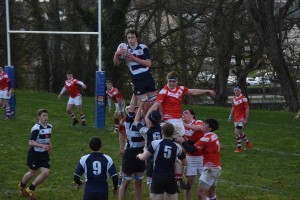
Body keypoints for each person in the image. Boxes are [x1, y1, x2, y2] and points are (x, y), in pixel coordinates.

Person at [146, 71, 215, 138]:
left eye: (174, 81)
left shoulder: (181, 89)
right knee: (179, 140)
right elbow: (156, 105)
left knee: (181, 140)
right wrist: (147, 117)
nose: (172, 84)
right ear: (167, 81)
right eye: (170, 81)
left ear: (177, 81)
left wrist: (206, 91)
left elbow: (193, 91)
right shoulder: (164, 91)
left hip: (178, 119)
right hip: (169, 119)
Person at [137, 123, 187, 200]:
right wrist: (177, 162)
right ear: (173, 133)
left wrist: (138, 155)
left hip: (158, 176)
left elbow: (143, 157)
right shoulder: (177, 147)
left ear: (162, 132)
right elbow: (185, 163)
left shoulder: (155, 143)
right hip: (170, 177)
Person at [176, 119, 221, 200]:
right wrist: (186, 140)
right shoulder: (213, 135)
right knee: (211, 193)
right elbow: (196, 145)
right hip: (216, 168)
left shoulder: (206, 138)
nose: (202, 126)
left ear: (209, 128)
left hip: (210, 170)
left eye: (204, 125)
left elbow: (191, 150)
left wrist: (182, 142)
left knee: (201, 195)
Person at [113, 29, 157, 103]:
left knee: (154, 101)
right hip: (137, 78)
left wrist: (133, 58)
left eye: (132, 37)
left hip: (147, 76)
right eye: (128, 38)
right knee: (143, 103)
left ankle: (156, 115)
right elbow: (116, 64)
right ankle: (139, 113)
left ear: (137, 38)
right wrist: (116, 54)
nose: (130, 39)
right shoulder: (125, 49)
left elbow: (148, 64)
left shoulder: (143, 47)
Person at [18, 109, 52, 200]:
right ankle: (21, 186)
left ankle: (31, 189)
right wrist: (42, 145)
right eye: (43, 116)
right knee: (32, 172)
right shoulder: (36, 128)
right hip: (34, 154)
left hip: (44, 154)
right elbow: (30, 142)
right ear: (39, 117)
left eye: (46, 115)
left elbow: (48, 138)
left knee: (45, 173)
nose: (46, 117)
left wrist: (49, 146)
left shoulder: (49, 126)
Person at [119, 94, 145, 200]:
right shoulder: (129, 120)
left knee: (138, 182)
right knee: (125, 182)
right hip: (130, 153)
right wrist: (135, 93)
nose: (139, 110)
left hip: (142, 154)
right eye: (137, 108)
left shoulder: (146, 120)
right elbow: (132, 107)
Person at [134, 102, 162, 192]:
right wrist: (160, 105)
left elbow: (136, 121)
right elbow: (162, 116)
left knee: (152, 185)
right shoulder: (163, 128)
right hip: (162, 156)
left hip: (149, 157)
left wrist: (140, 108)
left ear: (149, 121)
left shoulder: (145, 131)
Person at [182, 109, 204, 200]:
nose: (183, 114)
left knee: (207, 183)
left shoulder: (198, 122)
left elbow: (199, 128)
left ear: (192, 115)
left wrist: (185, 125)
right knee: (189, 183)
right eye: (182, 113)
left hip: (203, 157)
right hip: (190, 157)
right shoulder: (181, 126)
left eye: (186, 112)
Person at [228, 85, 253, 153]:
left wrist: (246, 119)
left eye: (237, 90)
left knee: (236, 132)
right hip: (236, 118)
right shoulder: (234, 98)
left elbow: (247, 109)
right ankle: (248, 144)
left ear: (240, 91)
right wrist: (230, 116)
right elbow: (233, 107)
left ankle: (239, 148)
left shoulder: (244, 98)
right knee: (240, 132)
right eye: (235, 90)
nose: (236, 91)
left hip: (242, 118)